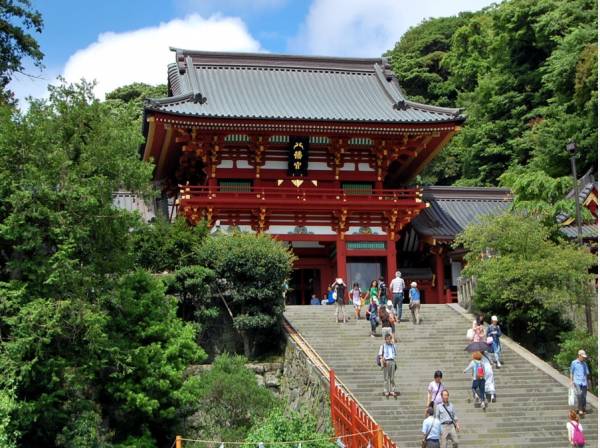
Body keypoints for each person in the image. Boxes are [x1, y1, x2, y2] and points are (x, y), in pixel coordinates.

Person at [570, 350, 591, 416]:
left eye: (584, 357)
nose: (584, 358)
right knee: (579, 395)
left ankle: (583, 408)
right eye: (582, 357)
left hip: (584, 382)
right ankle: (580, 409)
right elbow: (571, 372)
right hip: (577, 381)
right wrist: (571, 381)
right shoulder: (574, 363)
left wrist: (588, 383)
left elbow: (586, 373)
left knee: (584, 396)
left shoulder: (584, 364)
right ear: (579, 355)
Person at [379, 333, 397, 397]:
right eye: (387, 339)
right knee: (386, 377)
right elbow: (380, 355)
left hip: (392, 361)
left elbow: (395, 354)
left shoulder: (393, 346)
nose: (389, 340)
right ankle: (386, 390)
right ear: (385, 339)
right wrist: (383, 360)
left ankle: (392, 390)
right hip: (386, 361)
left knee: (392, 378)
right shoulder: (383, 346)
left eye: (390, 339)